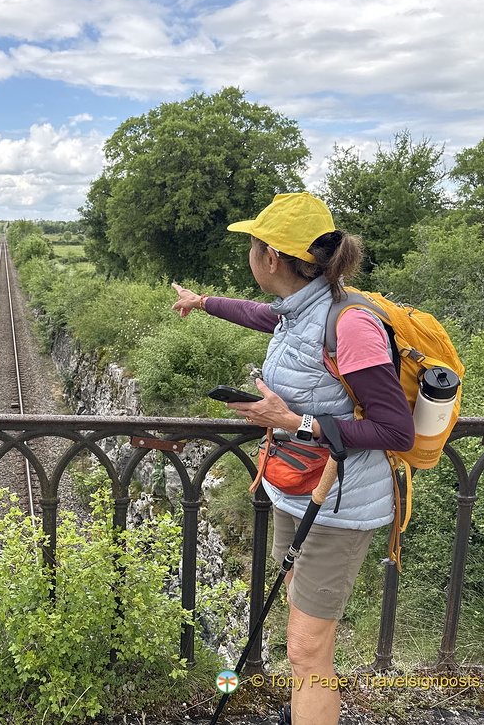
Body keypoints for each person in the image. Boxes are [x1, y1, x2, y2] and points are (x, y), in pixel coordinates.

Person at [171, 192, 414, 725]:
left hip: (338, 506)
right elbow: (264, 316)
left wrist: (293, 423)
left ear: (270, 257)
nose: (250, 256)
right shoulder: (300, 310)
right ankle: (306, 708)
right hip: (296, 490)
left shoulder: (350, 325)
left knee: (306, 649)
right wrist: (203, 301)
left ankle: (312, 707)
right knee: (302, 634)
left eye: (252, 245)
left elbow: (395, 429)